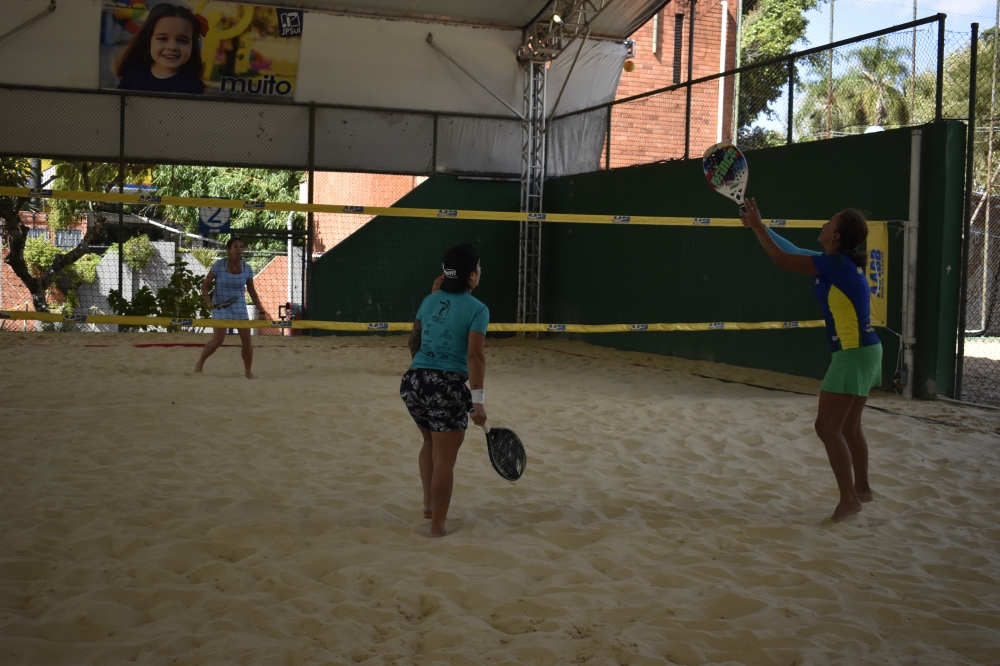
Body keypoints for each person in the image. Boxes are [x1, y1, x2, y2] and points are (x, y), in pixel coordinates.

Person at [740, 199, 882, 523]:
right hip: (867, 350)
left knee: (826, 427)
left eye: (830, 222)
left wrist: (758, 227)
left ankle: (850, 499)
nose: (824, 224)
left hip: (853, 353)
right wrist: (759, 226)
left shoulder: (835, 265)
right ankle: (862, 489)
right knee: (849, 427)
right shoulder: (836, 261)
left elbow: (780, 259)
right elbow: (790, 249)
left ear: (836, 236)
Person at [401, 244, 489, 538]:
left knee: (429, 442)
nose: (480, 271)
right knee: (444, 459)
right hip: (446, 385)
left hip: (413, 382)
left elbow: (414, 342)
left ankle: (428, 502)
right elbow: (475, 357)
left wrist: (425, 374)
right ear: (471, 275)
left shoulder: (430, 300)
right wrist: (478, 402)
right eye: (478, 267)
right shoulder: (478, 309)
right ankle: (437, 527)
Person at [194, 237, 267, 379]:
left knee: (247, 340)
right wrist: (209, 302)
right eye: (235, 246)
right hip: (220, 306)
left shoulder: (247, 268)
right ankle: (200, 363)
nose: (239, 249)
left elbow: (252, 291)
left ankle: (248, 372)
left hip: (239, 307)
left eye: (241, 246)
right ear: (228, 249)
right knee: (218, 340)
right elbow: (204, 286)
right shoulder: (219, 265)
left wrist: (261, 310)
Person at [115, 3, 206, 95]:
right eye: (163, 39)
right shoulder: (133, 75)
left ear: (193, 45)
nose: (172, 47)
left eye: (182, 41)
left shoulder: (193, 86)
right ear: (148, 40)